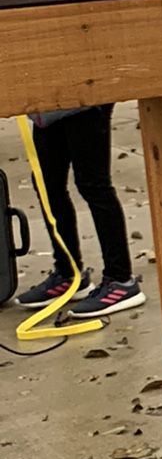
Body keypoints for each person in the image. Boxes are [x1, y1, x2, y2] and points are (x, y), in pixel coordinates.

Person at [14, 106, 145, 318]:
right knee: (47, 186)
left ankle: (120, 280)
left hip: (84, 102)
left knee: (93, 185)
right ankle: (68, 273)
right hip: (46, 108)